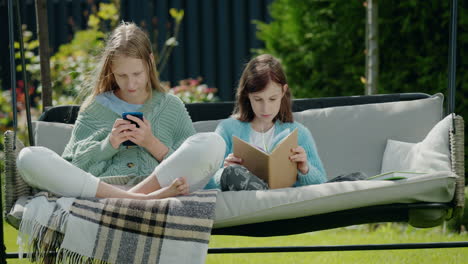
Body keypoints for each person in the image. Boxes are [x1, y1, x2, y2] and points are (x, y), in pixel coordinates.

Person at [17, 22, 225, 199]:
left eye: (137, 73)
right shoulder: (94, 107)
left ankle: (135, 197)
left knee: (213, 142)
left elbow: (188, 161)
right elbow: (74, 165)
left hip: (156, 183)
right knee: (27, 156)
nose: (131, 84)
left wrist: (151, 143)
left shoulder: (171, 106)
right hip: (104, 188)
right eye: (122, 75)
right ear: (111, 70)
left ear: (150, 62)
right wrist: (109, 144)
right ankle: (137, 200)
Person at [204, 54, 326, 191]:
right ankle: (263, 192)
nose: (265, 108)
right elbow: (205, 184)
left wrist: (305, 168)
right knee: (232, 173)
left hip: (285, 203)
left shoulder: (299, 133)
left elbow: (323, 184)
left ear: (283, 91)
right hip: (250, 204)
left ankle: (267, 194)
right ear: (247, 95)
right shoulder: (227, 129)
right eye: (258, 99)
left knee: (352, 178)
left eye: (272, 99)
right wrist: (224, 173)